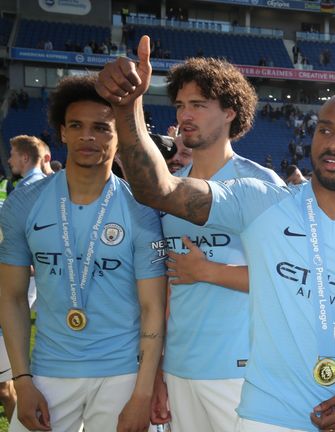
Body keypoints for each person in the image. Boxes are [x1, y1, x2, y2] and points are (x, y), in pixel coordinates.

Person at [96, 36, 335, 431]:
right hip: (263, 415)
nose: (334, 143)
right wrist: (128, 109)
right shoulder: (263, 201)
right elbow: (158, 189)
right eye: (325, 130)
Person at [0, 74, 166, 432]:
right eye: (76, 125)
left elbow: (153, 308)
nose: (87, 136)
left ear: (118, 135)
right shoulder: (24, 203)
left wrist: (141, 394)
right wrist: (22, 380)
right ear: (62, 132)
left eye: (101, 128)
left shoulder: (140, 209)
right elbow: (11, 296)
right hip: (47, 372)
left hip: (122, 374)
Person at [148, 57, 286, 432]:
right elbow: (167, 289)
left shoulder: (262, 183)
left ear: (229, 112)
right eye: (180, 105)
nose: (185, 115)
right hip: (179, 367)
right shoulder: (171, 190)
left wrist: (208, 271)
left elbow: (289, 280)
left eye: (198, 104)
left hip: (241, 369)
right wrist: (159, 370)